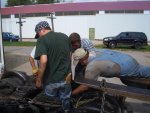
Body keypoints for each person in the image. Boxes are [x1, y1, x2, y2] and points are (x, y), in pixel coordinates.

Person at [71, 48, 150, 95]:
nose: (79, 64)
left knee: (142, 72)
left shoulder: (92, 67)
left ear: (82, 60)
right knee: (126, 79)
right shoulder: (93, 51)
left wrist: (71, 94)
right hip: (126, 58)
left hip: (127, 65)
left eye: (79, 62)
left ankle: (146, 90)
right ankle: (145, 88)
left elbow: (85, 86)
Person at [34, 21, 72, 112]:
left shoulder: (42, 40)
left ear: (42, 30)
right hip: (66, 78)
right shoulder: (65, 36)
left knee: (50, 105)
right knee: (65, 101)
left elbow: (43, 61)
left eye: (38, 33)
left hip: (51, 80)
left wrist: (38, 80)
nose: (38, 36)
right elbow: (70, 56)